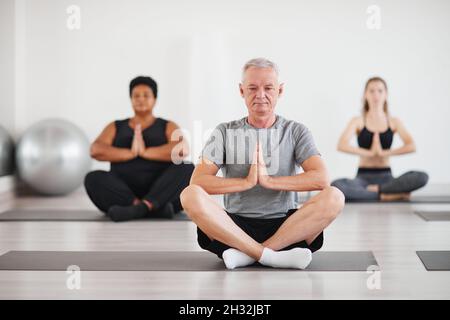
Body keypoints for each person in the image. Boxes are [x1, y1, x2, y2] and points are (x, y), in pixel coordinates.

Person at [180, 58, 345, 270]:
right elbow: (198, 181)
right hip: (234, 228)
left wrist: (269, 181)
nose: (260, 95)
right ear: (241, 91)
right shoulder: (224, 131)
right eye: (252, 88)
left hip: (287, 227)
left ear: (280, 90)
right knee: (189, 194)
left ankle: (248, 255)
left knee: (335, 196)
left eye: (268, 88)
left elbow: (321, 178)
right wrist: (246, 182)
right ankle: (271, 256)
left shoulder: (296, 131)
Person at [84, 76, 194, 221]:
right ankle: (149, 208)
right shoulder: (115, 126)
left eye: (146, 95)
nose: (140, 99)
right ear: (131, 99)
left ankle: (140, 208)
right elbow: (96, 150)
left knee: (187, 167)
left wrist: (144, 152)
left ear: (154, 99)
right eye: (136, 96)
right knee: (92, 178)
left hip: (162, 189)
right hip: (124, 190)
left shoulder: (167, 125)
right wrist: (130, 152)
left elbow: (182, 149)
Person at [331, 77, 428, 201]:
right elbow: (341, 145)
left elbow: (411, 146)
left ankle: (377, 191)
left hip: (387, 178)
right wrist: (370, 153)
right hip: (362, 178)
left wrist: (384, 153)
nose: (376, 95)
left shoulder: (393, 122)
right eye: (371, 91)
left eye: (380, 91)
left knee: (422, 177)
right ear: (365, 94)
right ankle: (384, 195)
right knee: (336, 186)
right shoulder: (358, 121)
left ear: (386, 94)